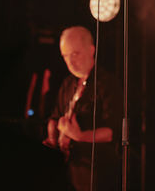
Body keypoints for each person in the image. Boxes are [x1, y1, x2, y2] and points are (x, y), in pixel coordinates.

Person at [44, 26, 121, 191]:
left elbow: (112, 132)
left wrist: (80, 136)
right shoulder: (68, 83)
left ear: (91, 50)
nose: (70, 62)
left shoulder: (108, 84)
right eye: (65, 56)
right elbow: (55, 116)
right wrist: (53, 137)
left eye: (75, 54)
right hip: (68, 172)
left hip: (96, 175)